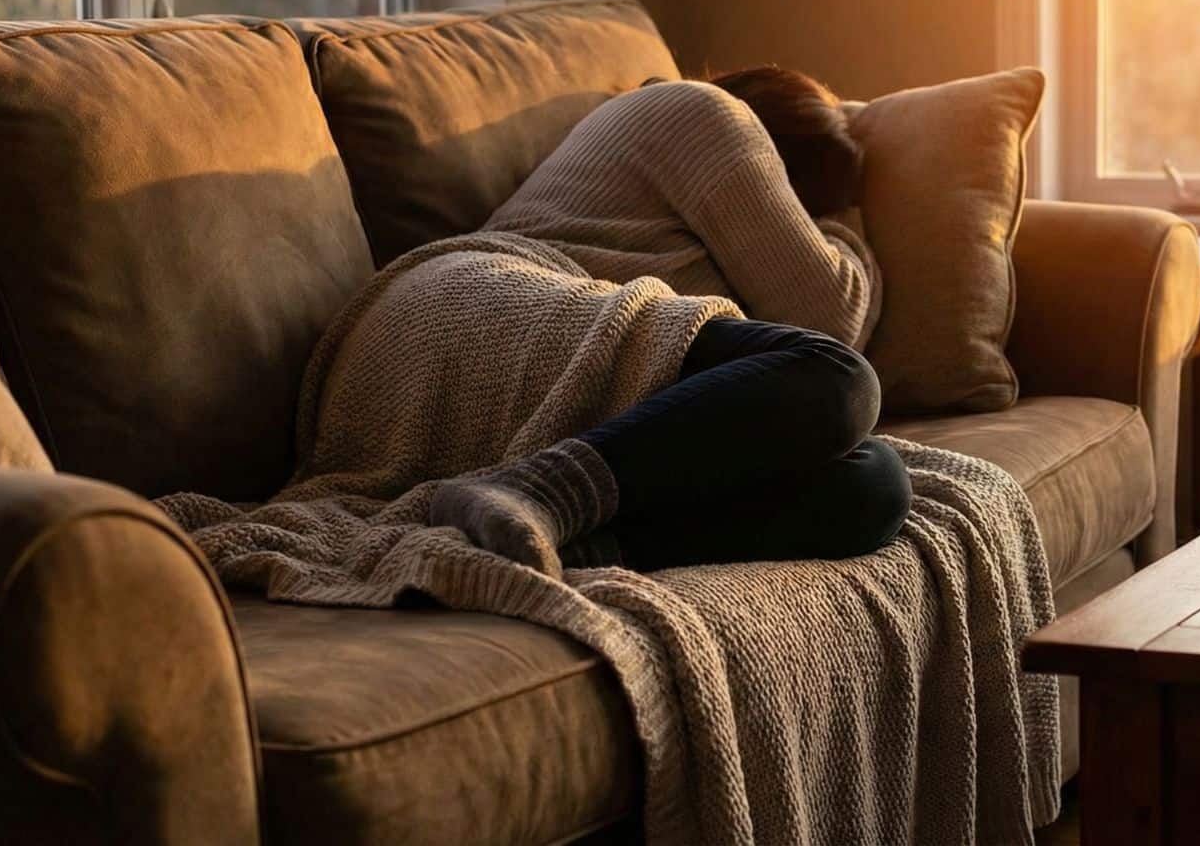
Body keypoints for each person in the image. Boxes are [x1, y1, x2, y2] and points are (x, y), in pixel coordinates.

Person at [296, 69, 905, 574]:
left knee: (872, 486)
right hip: (457, 313)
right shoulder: (698, 109)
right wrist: (844, 217)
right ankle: (534, 493)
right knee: (839, 379)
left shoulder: (690, 227)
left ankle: (557, 537)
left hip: (516, 393)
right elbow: (831, 320)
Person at [482, 68, 879, 347]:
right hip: (495, 302)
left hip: (531, 322)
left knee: (866, 464)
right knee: (845, 392)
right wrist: (840, 222)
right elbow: (831, 324)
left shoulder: (668, 220)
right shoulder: (709, 112)